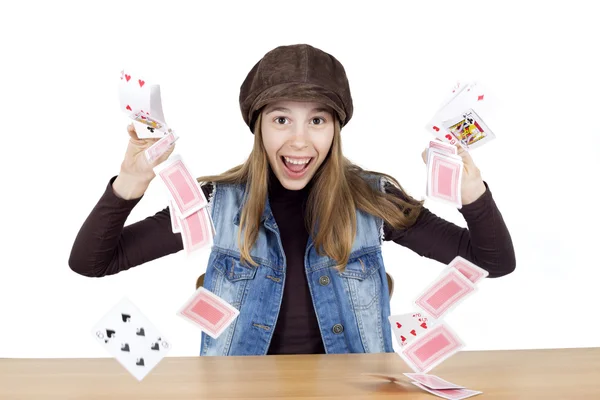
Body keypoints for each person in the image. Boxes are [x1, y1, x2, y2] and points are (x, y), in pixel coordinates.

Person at [69, 44, 516, 356]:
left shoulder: (373, 201)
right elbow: (93, 261)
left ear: (334, 130)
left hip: (349, 394)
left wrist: (470, 193)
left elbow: (492, 261)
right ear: (259, 127)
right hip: (242, 394)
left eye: (317, 120)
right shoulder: (216, 205)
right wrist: (129, 182)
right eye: (282, 119)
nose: (299, 140)